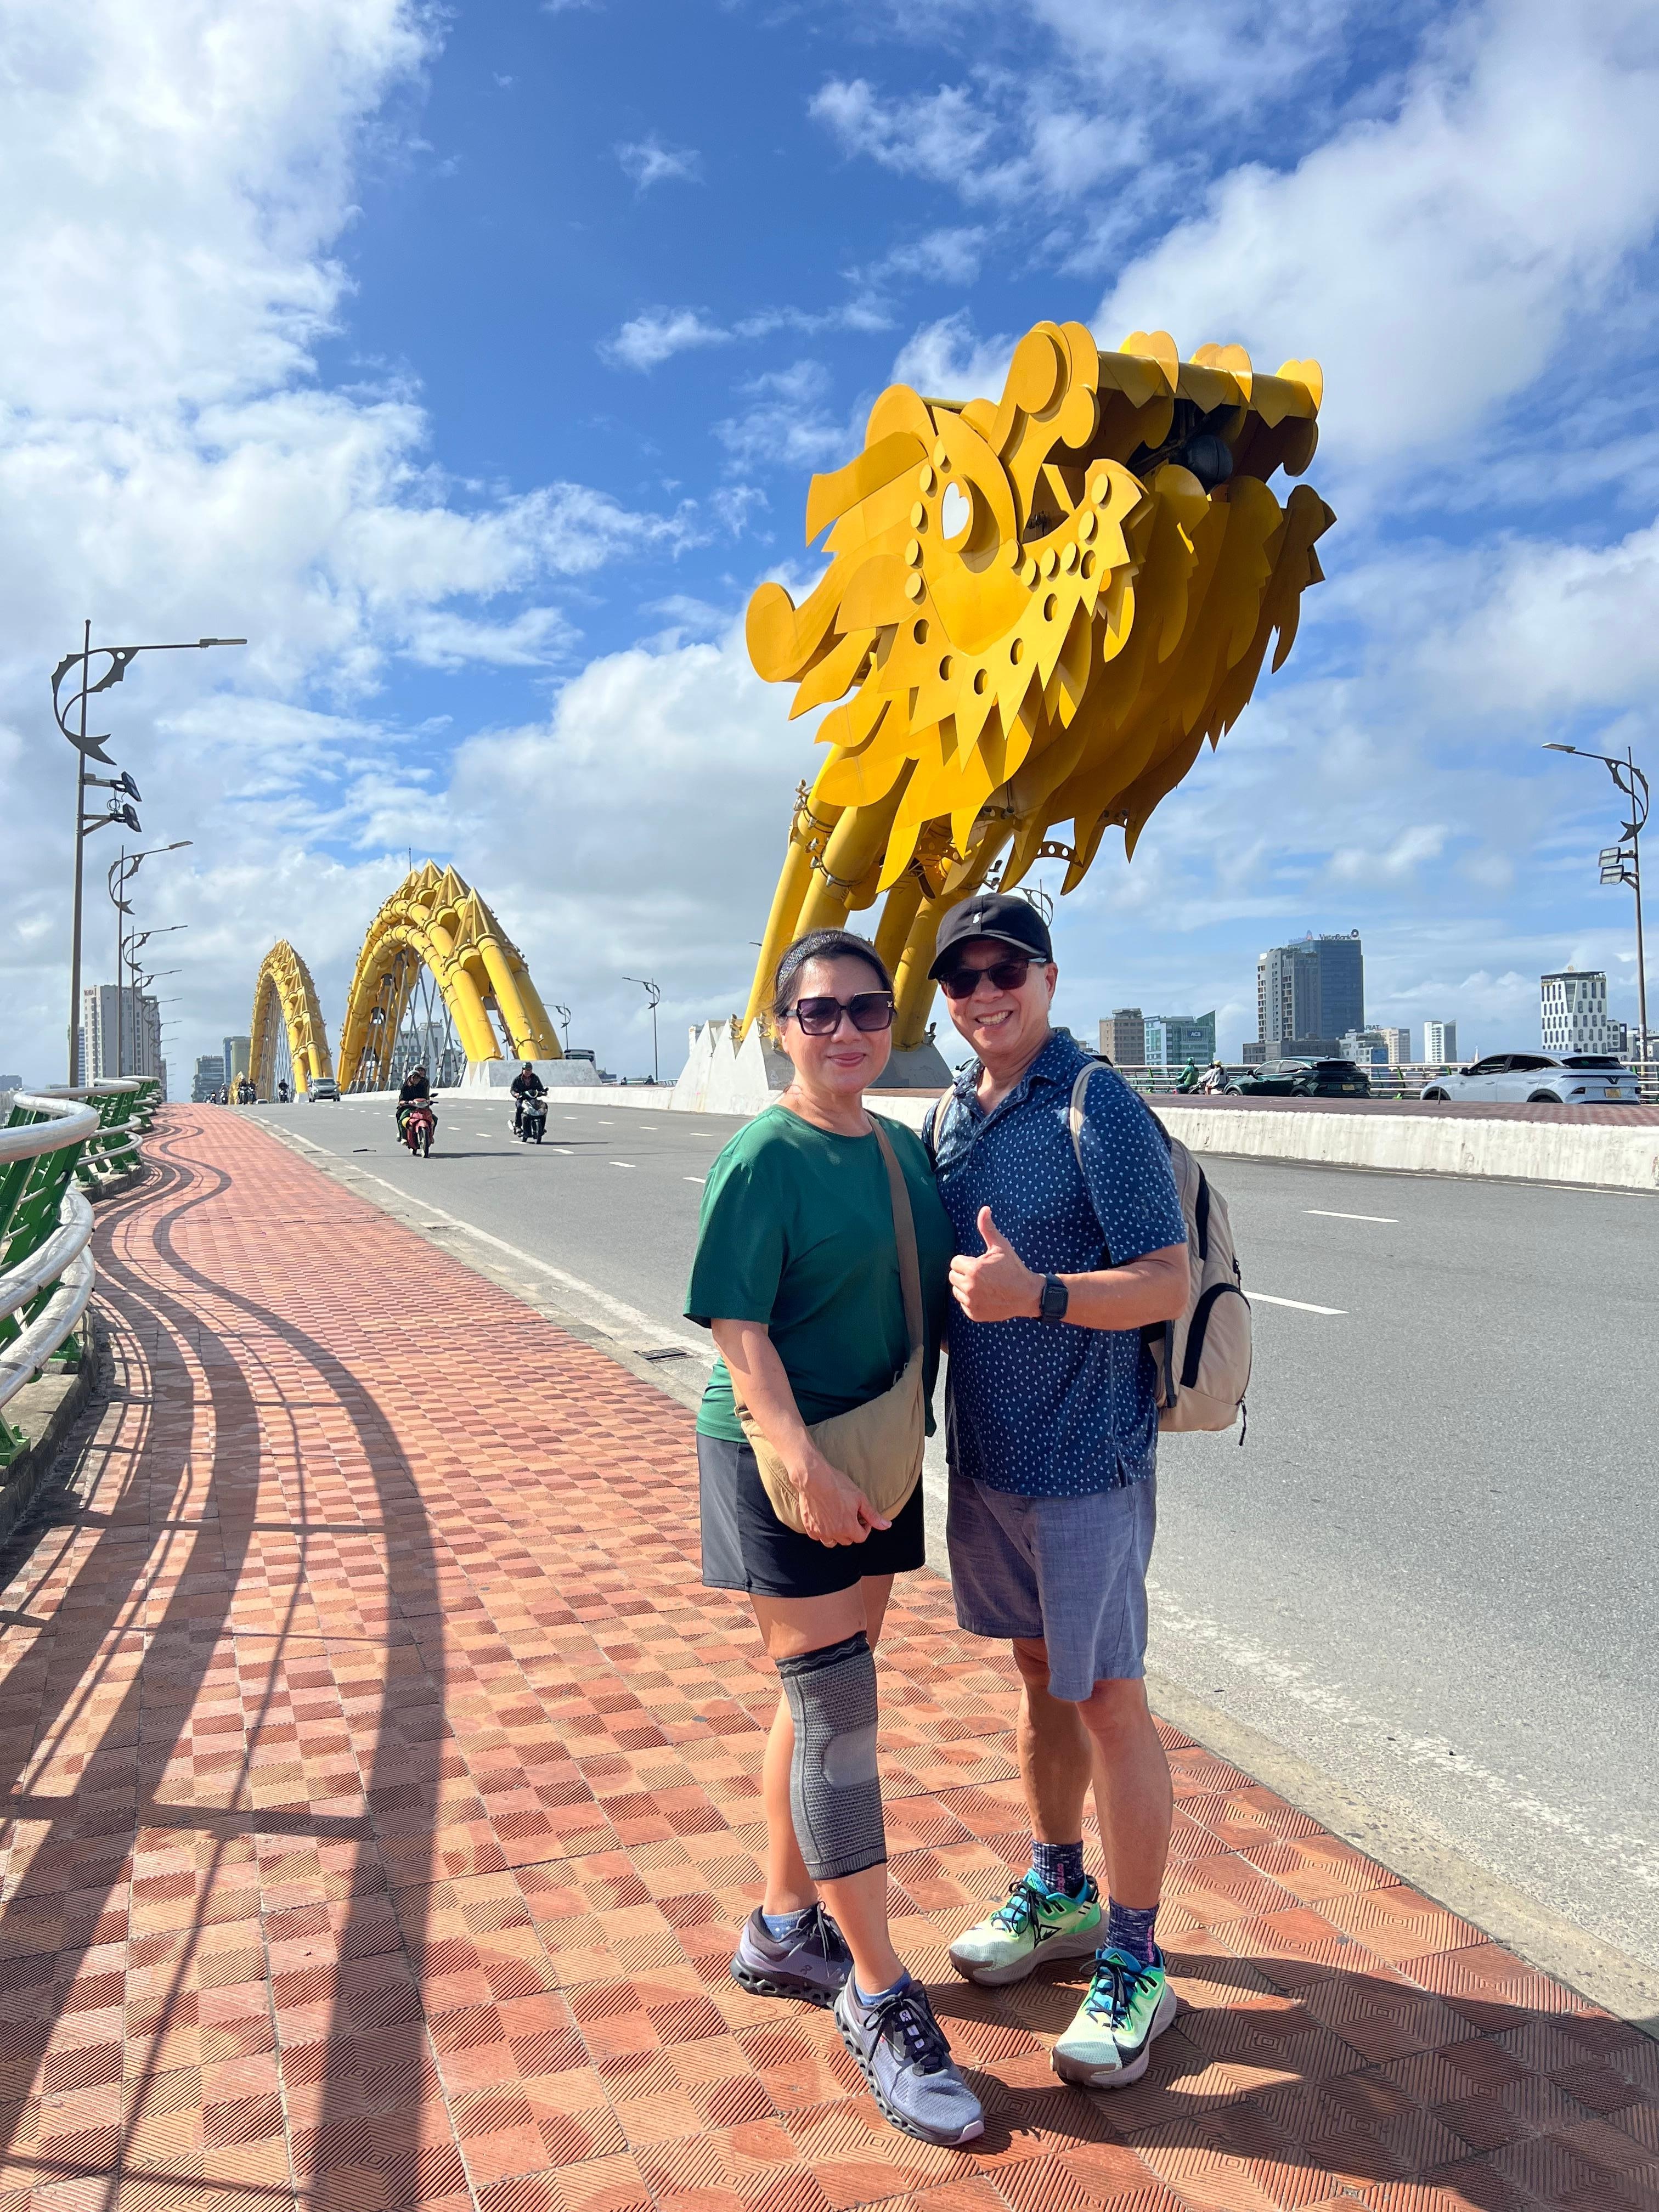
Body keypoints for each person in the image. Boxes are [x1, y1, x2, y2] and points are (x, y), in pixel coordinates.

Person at [685, 928, 984, 2149]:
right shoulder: (765, 1153)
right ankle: (874, 1986)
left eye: (867, 1009)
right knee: (839, 1715)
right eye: (819, 1012)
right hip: (784, 1455)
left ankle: (779, 1926)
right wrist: (798, 1463)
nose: (847, 1030)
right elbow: (735, 1325)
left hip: (878, 1449)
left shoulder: (902, 1151)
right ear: (782, 1029)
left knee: (820, 1702)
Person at [923, 893, 1190, 2091]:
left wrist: (1038, 1295)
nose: (985, 993)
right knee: (1038, 1677)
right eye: (962, 977)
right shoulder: (949, 1116)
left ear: (1047, 979)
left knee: (1110, 1700)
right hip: (988, 1462)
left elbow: (1166, 1280)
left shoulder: (1095, 1104)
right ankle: (1060, 1889)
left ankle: (1135, 1958)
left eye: (1006, 970)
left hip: (1087, 1460)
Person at [510, 1059, 546, 1132]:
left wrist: (543, 1092)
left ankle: (542, 1127)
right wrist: (516, 1094)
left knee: (544, 1106)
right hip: (522, 1098)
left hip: (533, 1099)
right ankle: (518, 1126)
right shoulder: (518, 1079)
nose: (528, 1072)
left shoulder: (535, 1078)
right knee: (519, 1107)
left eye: (529, 1070)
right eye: (526, 1070)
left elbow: (540, 1088)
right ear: (522, 1070)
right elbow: (513, 1090)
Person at [397, 1064, 431, 1141]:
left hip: (422, 1106)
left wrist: (428, 1102)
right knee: (401, 1118)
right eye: (414, 1078)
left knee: (434, 1119)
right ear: (410, 1078)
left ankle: (430, 1137)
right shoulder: (406, 1087)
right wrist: (408, 1102)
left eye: (418, 1078)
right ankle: (403, 1137)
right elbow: (401, 1100)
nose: (416, 1079)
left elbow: (426, 1096)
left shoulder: (423, 1085)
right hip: (409, 1107)